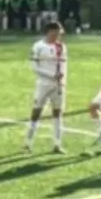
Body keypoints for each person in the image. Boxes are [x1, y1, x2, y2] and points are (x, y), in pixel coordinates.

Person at [25, 20, 66, 154]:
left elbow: (63, 65)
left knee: (57, 112)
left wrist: (62, 80)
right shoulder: (38, 46)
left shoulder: (61, 47)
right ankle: (28, 143)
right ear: (50, 31)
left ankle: (57, 144)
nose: (59, 35)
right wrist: (52, 75)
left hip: (58, 85)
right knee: (36, 112)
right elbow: (34, 67)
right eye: (57, 32)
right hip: (43, 84)